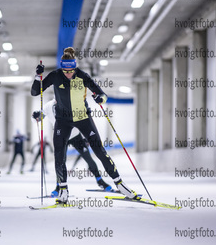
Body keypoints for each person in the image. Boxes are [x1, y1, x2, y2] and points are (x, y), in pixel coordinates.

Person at [31, 47, 137, 204]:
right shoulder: (55, 76)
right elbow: (35, 92)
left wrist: (101, 99)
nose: (68, 74)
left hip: (83, 118)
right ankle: (63, 188)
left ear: (74, 67)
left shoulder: (83, 76)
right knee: (59, 154)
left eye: (71, 71)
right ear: (62, 67)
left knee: (99, 150)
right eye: (65, 71)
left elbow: (102, 94)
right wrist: (38, 76)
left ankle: (120, 184)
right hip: (63, 120)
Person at [32, 98, 113, 195]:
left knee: (88, 158)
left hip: (75, 136)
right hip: (61, 136)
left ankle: (100, 182)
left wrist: (86, 137)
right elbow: (39, 117)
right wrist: (36, 116)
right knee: (60, 162)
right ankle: (59, 186)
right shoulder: (48, 106)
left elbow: (83, 121)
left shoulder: (70, 102)